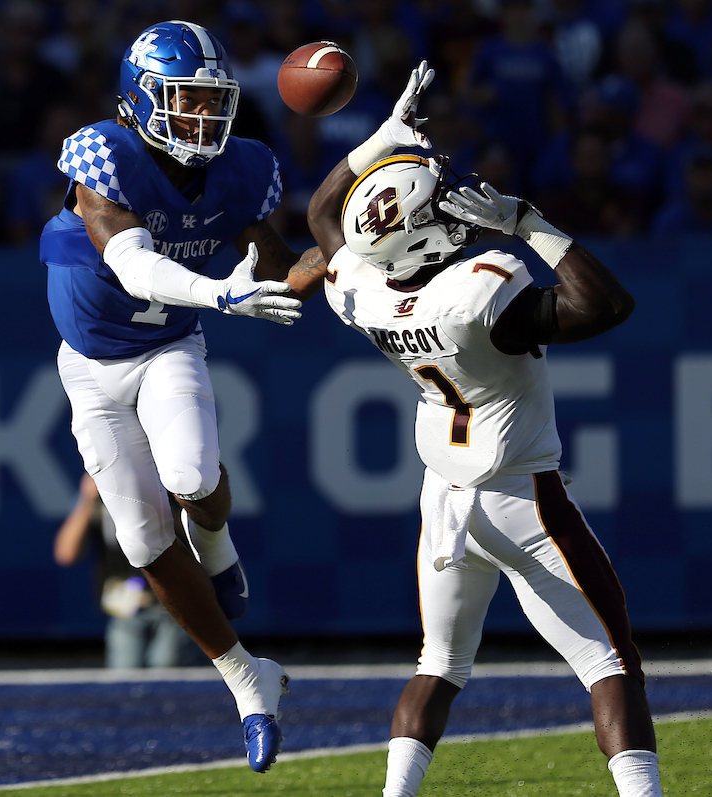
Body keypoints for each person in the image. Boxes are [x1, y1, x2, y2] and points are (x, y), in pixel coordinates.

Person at [303, 62, 663, 797]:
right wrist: (529, 221)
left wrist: (378, 143)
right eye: (439, 208)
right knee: (610, 662)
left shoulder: (362, 294)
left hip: (444, 500)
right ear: (419, 237)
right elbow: (606, 306)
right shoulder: (478, 292)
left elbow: (320, 216)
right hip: (519, 496)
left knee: (440, 662)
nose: (456, 210)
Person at [39, 20, 322, 773]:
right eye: (184, 99)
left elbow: (278, 260)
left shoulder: (244, 167)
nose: (201, 117)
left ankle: (220, 546)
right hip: (92, 367)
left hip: (167, 347)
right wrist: (224, 295)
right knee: (136, 541)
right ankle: (248, 679)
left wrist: (353, 246)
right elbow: (134, 266)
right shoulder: (104, 154)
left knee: (194, 475)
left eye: (210, 100)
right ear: (138, 100)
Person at [54, 474, 198, 669]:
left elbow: (196, 538)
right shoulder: (97, 498)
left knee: (167, 667)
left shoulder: (169, 484)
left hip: (174, 601)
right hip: (125, 604)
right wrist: (87, 498)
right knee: (125, 673)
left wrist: (152, 499)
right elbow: (66, 554)